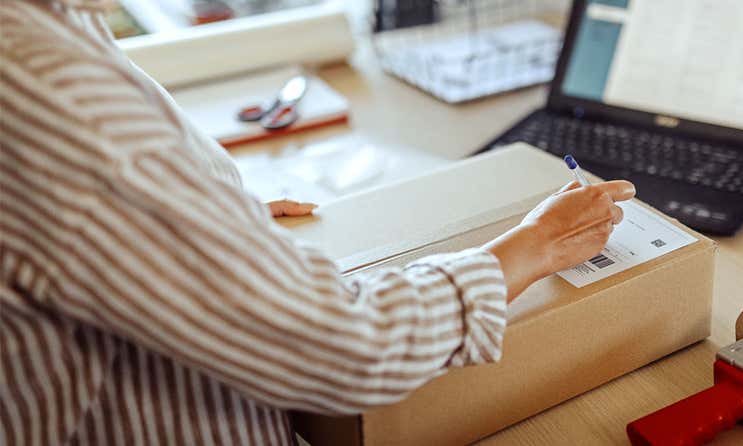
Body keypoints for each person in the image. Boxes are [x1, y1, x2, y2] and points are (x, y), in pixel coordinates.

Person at [0, 1, 636, 445]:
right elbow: (341, 346)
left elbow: (69, 218)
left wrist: (189, 217)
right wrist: (533, 245)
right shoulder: (50, 86)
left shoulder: (52, 37)